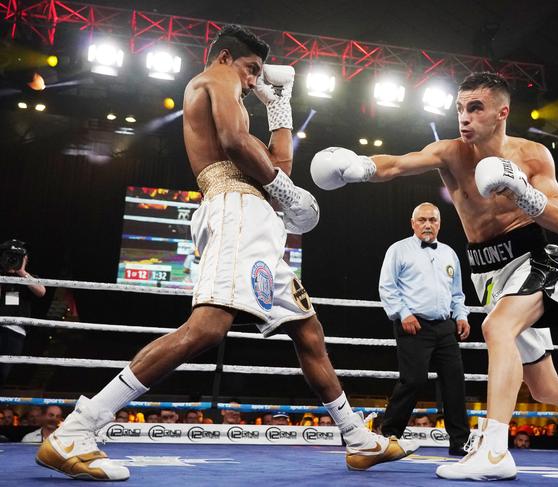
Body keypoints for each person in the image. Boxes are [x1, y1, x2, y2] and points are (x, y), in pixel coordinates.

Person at [36, 24, 417, 482]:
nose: (255, 79)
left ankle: (358, 439)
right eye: (251, 68)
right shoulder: (215, 79)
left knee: (308, 331)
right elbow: (241, 148)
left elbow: (279, 166)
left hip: (256, 219)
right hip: (236, 209)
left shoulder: (237, 93)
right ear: (224, 58)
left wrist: (280, 109)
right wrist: (283, 189)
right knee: (206, 329)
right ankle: (77, 429)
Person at [310, 71, 558, 480]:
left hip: (536, 258)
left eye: (475, 108)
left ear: (502, 113)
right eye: (459, 109)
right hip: (488, 274)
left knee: (497, 329)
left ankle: (496, 450)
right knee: (545, 387)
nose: (463, 118)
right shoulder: (450, 153)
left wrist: (521, 190)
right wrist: (357, 167)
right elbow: (397, 164)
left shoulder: (533, 154)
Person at [378, 202, 471, 456]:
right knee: (414, 380)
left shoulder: (450, 254)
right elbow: (387, 286)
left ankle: (460, 441)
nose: (427, 224)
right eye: (422, 220)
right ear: (413, 223)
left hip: (445, 327)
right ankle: (389, 434)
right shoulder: (398, 250)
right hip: (413, 325)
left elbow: (457, 292)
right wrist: (403, 313)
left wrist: (461, 315)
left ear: (439, 223)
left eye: (432, 219)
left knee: (455, 383)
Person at [0, 240, 46, 386]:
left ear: (26, 259)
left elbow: (41, 291)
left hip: (15, 331)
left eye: (19, 256)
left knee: (3, 373)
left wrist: (21, 271)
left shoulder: (28, 278)